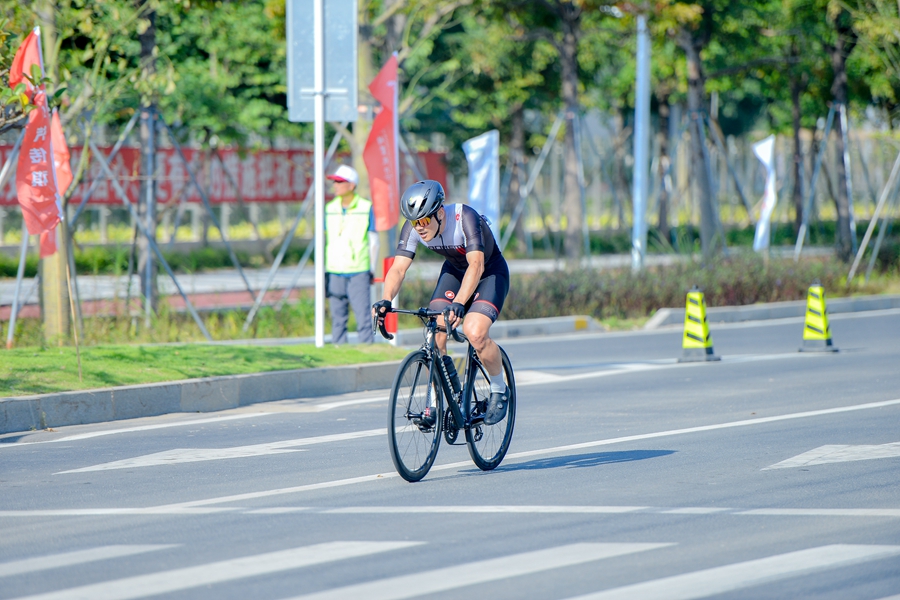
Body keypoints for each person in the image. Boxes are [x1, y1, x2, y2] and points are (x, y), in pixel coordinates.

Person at [373, 180, 510, 425]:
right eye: (415, 222)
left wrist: (459, 303)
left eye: (424, 220)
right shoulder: (414, 228)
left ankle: (499, 390)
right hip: (455, 272)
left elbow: (476, 265)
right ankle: (438, 402)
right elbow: (398, 269)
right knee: (435, 332)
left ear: (439, 212)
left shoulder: (464, 217)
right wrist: (385, 299)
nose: (420, 227)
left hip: (489, 272)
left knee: (475, 332)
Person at [325, 164, 379, 345]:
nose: (336, 185)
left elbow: (373, 241)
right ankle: (338, 349)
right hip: (334, 269)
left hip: (358, 269)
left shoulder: (366, 207)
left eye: (340, 182)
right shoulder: (329, 208)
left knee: (363, 315)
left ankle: (367, 350)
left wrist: (371, 269)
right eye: (335, 181)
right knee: (337, 316)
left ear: (352, 185)